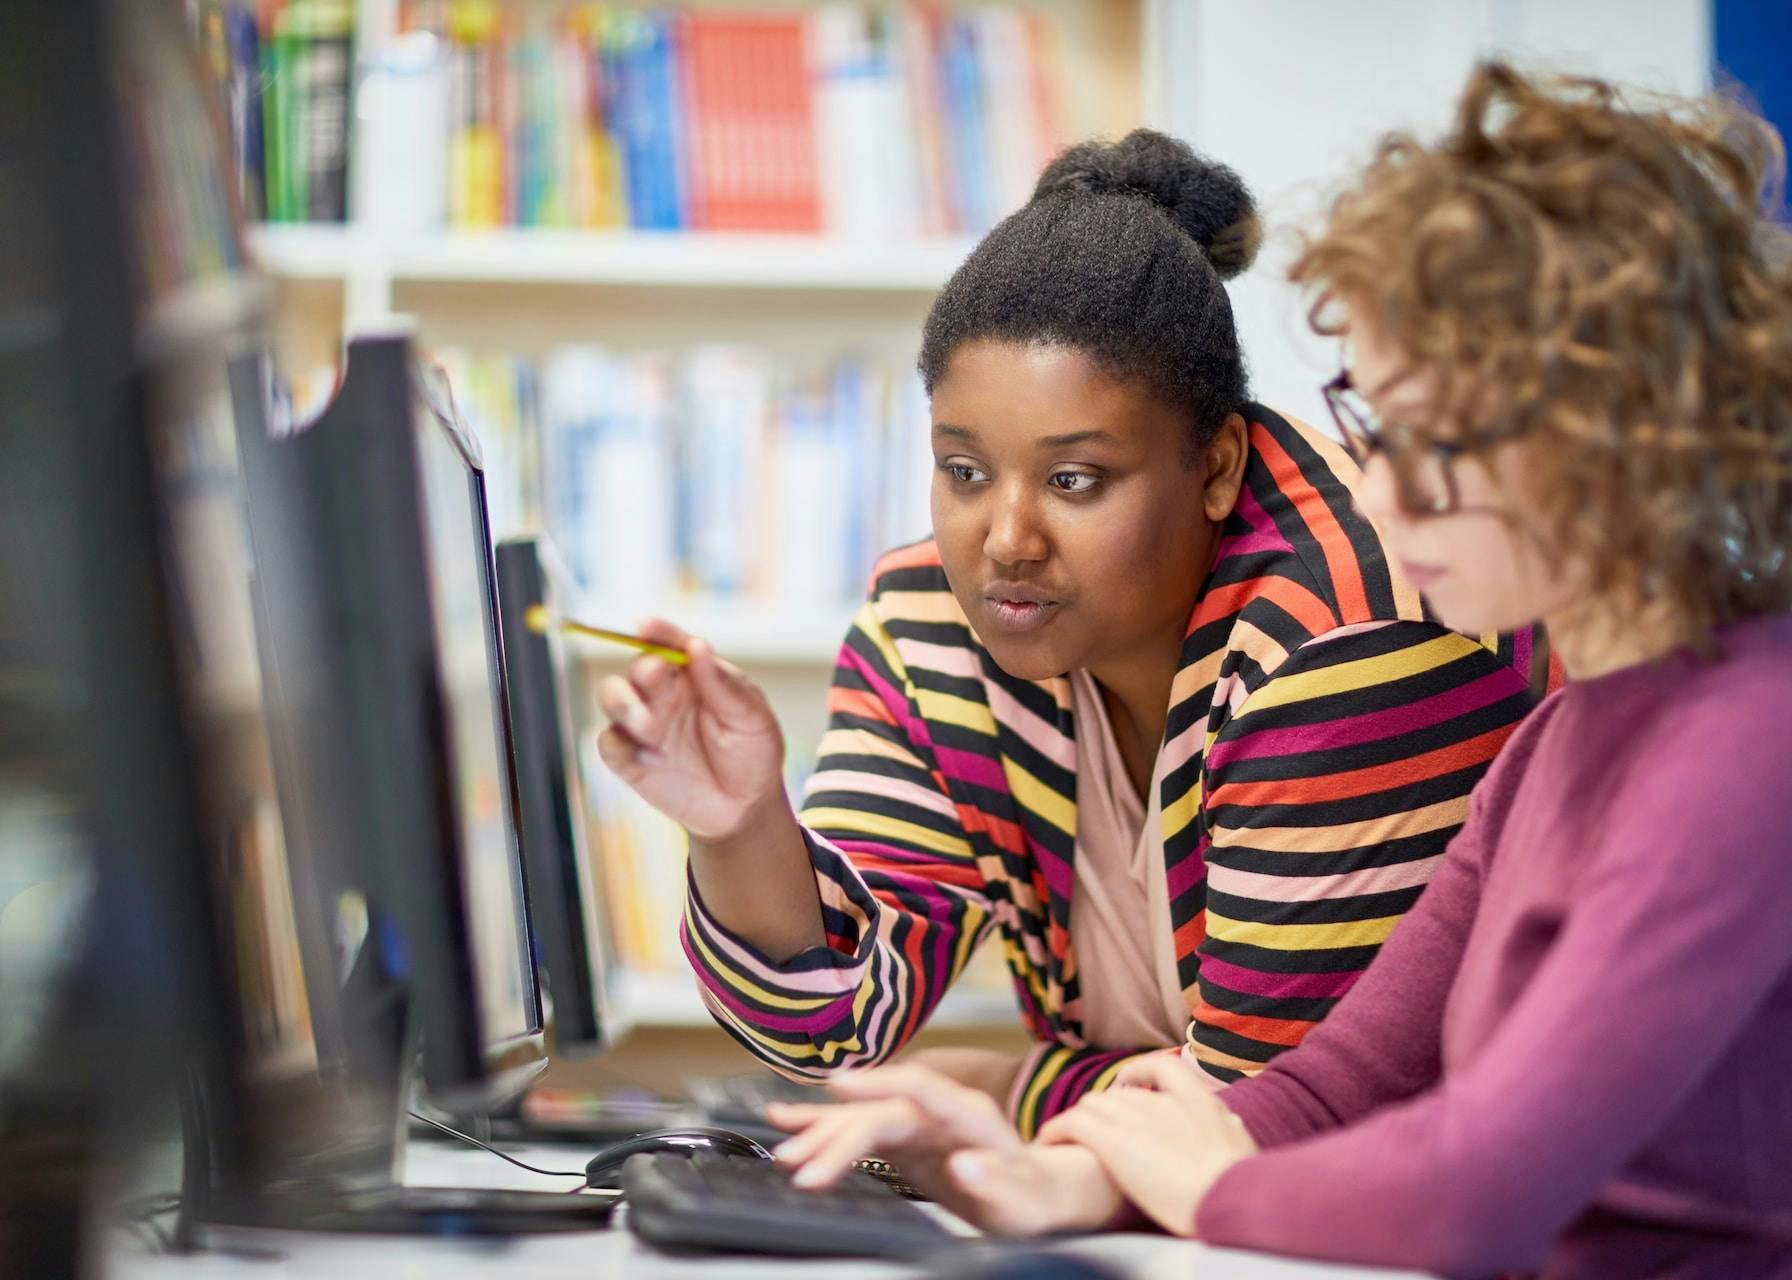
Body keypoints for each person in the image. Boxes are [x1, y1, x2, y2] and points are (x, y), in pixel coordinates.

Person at [771, 63, 1792, 1278]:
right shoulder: (1560, 740)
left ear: (1620, 427)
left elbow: (1470, 1190)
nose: (1379, 488)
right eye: (1373, 425)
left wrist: (1198, 1180)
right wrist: (1056, 1172)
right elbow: (1324, 1088)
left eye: (1433, 440)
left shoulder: (1746, 742)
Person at [598, 130, 1554, 1140]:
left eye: (1073, 480)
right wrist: (742, 826)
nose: (1003, 540)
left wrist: (1004, 1089)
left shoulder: (1347, 633)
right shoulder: (934, 617)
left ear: (1218, 467)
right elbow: (832, 1019)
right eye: (963, 470)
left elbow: (1271, 1125)